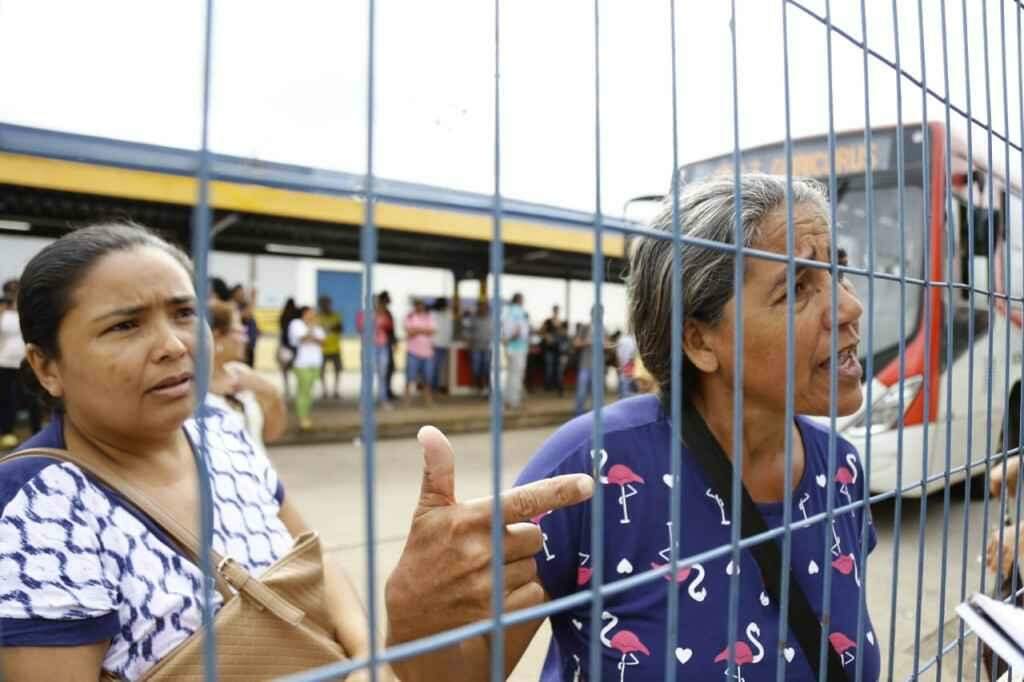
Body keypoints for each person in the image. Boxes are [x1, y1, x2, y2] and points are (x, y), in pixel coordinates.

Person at [0, 221, 595, 681]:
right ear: (46, 366)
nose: (174, 345)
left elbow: (312, 556)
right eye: (124, 326)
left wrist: (366, 657)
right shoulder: (36, 507)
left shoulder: (216, 425)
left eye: (185, 313)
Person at [506, 174, 879, 680]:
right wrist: (421, 612)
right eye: (795, 288)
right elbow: (456, 666)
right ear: (700, 341)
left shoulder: (841, 469)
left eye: (838, 271)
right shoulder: (588, 467)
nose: (850, 306)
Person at [207, 300, 286, 455]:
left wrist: (271, 393)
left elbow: (271, 435)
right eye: (240, 331)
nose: (246, 338)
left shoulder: (241, 373)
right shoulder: (188, 388)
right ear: (217, 336)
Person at [1, 279, 39, 448]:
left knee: (33, 397)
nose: (13, 293)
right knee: (6, 399)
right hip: (4, 362)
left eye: (16, 290)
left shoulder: (28, 311)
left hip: (27, 361)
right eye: (10, 290)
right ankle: (6, 432)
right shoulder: (2, 313)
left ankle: (37, 432)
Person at [288, 306, 324, 430]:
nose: (313, 315)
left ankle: (306, 415)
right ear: (304, 313)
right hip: (301, 363)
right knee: (303, 391)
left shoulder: (317, 326)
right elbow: (302, 338)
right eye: (311, 313)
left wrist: (312, 335)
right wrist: (311, 330)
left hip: (315, 363)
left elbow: (322, 341)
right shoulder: (296, 324)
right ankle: (302, 417)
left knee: (309, 391)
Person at [357, 294, 395, 407]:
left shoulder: (383, 313)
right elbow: (361, 327)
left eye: (376, 301)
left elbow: (389, 326)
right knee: (367, 375)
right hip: (369, 347)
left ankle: (383, 399)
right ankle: (364, 402)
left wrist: (380, 316)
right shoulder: (362, 314)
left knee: (382, 375)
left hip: (382, 346)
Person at [403, 299, 436, 407]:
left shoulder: (429, 317)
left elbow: (432, 331)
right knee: (410, 378)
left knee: (428, 379)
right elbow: (409, 332)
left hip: (428, 353)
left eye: (421, 305)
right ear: (415, 306)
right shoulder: (409, 317)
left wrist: (417, 330)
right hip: (413, 352)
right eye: (417, 305)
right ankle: (407, 401)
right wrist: (423, 330)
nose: (420, 307)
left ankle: (428, 401)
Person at [502, 292, 529, 409]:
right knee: (516, 375)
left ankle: (508, 400)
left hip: (509, 347)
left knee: (510, 375)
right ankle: (514, 402)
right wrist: (513, 337)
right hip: (518, 347)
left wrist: (507, 339)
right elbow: (519, 330)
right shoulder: (519, 312)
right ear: (519, 300)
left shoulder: (506, 311)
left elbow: (504, 330)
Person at [318, 295, 344, 400]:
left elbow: (339, 328)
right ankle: (324, 390)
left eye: (327, 303)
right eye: (323, 304)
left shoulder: (336, 315)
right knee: (321, 371)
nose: (326, 306)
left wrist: (328, 328)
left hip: (335, 348)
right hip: (322, 348)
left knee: (337, 370)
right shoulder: (318, 316)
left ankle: (335, 390)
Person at [468, 300, 493, 394]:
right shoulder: (473, 318)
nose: (483, 308)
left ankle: (486, 388)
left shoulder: (492, 318)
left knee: (486, 368)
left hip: (488, 347)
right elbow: (467, 331)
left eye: (484, 306)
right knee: (476, 368)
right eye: (481, 306)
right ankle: (479, 387)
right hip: (475, 347)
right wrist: (469, 342)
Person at [277, 298, 299, 399]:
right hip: (294, 346)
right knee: (296, 368)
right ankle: (296, 388)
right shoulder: (296, 316)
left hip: (285, 345)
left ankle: (287, 388)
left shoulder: (283, 316)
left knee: (285, 369)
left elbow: (281, 331)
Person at [431, 297, 453, 394]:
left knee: (440, 367)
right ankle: (433, 387)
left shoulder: (448, 314)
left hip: (443, 344)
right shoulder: (433, 314)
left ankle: (437, 386)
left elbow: (449, 329)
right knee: (435, 367)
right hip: (435, 344)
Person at [541, 305, 563, 392]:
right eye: (555, 310)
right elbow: (542, 331)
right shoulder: (548, 321)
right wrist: (547, 337)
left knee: (557, 368)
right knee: (549, 368)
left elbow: (562, 334)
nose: (556, 312)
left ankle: (556, 386)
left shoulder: (560, 322)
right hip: (549, 348)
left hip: (557, 348)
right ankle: (548, 386)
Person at [616, 330, 639, 398]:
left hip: (624, 369)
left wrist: (620, 367)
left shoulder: (621, 340)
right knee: (630, 391)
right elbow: (633, 356)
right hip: (632, 369)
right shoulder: (634, 340)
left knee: (623, 391)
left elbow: (618, 355)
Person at [240, 302, 260, 367]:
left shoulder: (252, 321)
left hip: (250, 348)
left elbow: (256, 332)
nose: (250, 312)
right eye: (247, 310)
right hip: (243, 349)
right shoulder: (240, 322)